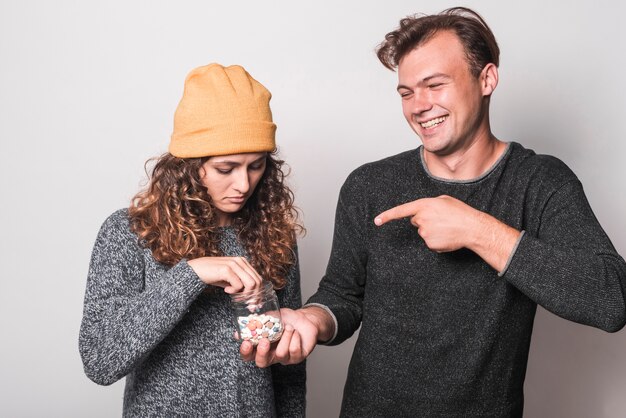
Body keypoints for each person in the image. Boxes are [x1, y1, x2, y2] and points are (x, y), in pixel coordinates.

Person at [241, 7, 626, 417]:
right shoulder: (369, 185)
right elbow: (342, 296)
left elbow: (610, 300)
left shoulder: (540, 182)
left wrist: (477, 230)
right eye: (406, 92)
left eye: (435, 85)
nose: (418, 106)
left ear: (487, 79)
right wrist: (314, 320)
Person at [79, 63, 306, 417]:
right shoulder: (129, 233)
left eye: (256, 165)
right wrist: (190, 275)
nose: (244, 184)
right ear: (188, 165)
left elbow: (288, 369)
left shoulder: (274, 234)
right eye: (225, 169)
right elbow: (100, 360)